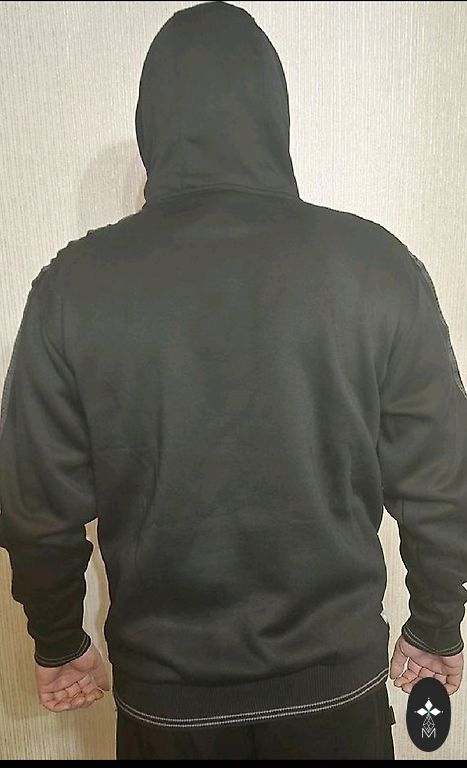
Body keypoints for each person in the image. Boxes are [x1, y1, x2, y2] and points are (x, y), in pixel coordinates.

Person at [0, 0, 465, 761]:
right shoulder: (378, 268)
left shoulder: (72, 288)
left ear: (153, 122)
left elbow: (35, 507)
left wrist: (59, 642)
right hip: (335, 693)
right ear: (274, 114)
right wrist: (436, 627)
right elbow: (442, 479)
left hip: (167, 706)